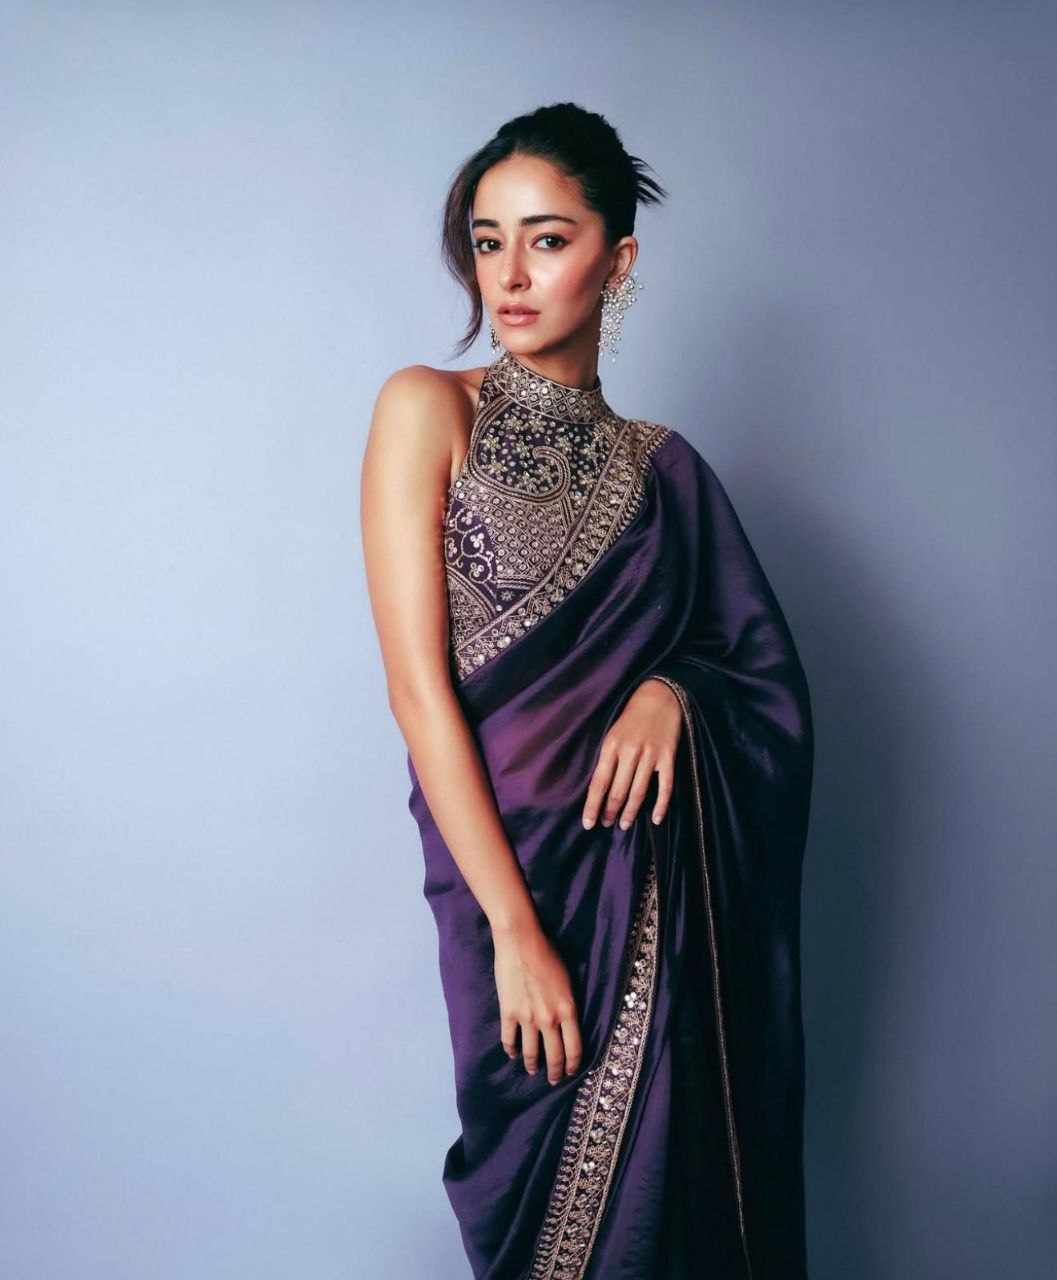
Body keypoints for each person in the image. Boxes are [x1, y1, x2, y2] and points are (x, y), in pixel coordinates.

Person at [360, 102, 814, 1280]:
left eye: (547, 239)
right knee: (533, 1203)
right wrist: (515, 930)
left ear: (617, 260)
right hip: (506, 880)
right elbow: (418, 694)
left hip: (648, 896)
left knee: (659, 1211)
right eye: (488, 240)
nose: (509, 274)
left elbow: (760, 680)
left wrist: (675, 691)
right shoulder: (426, 409)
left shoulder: (666, 473)